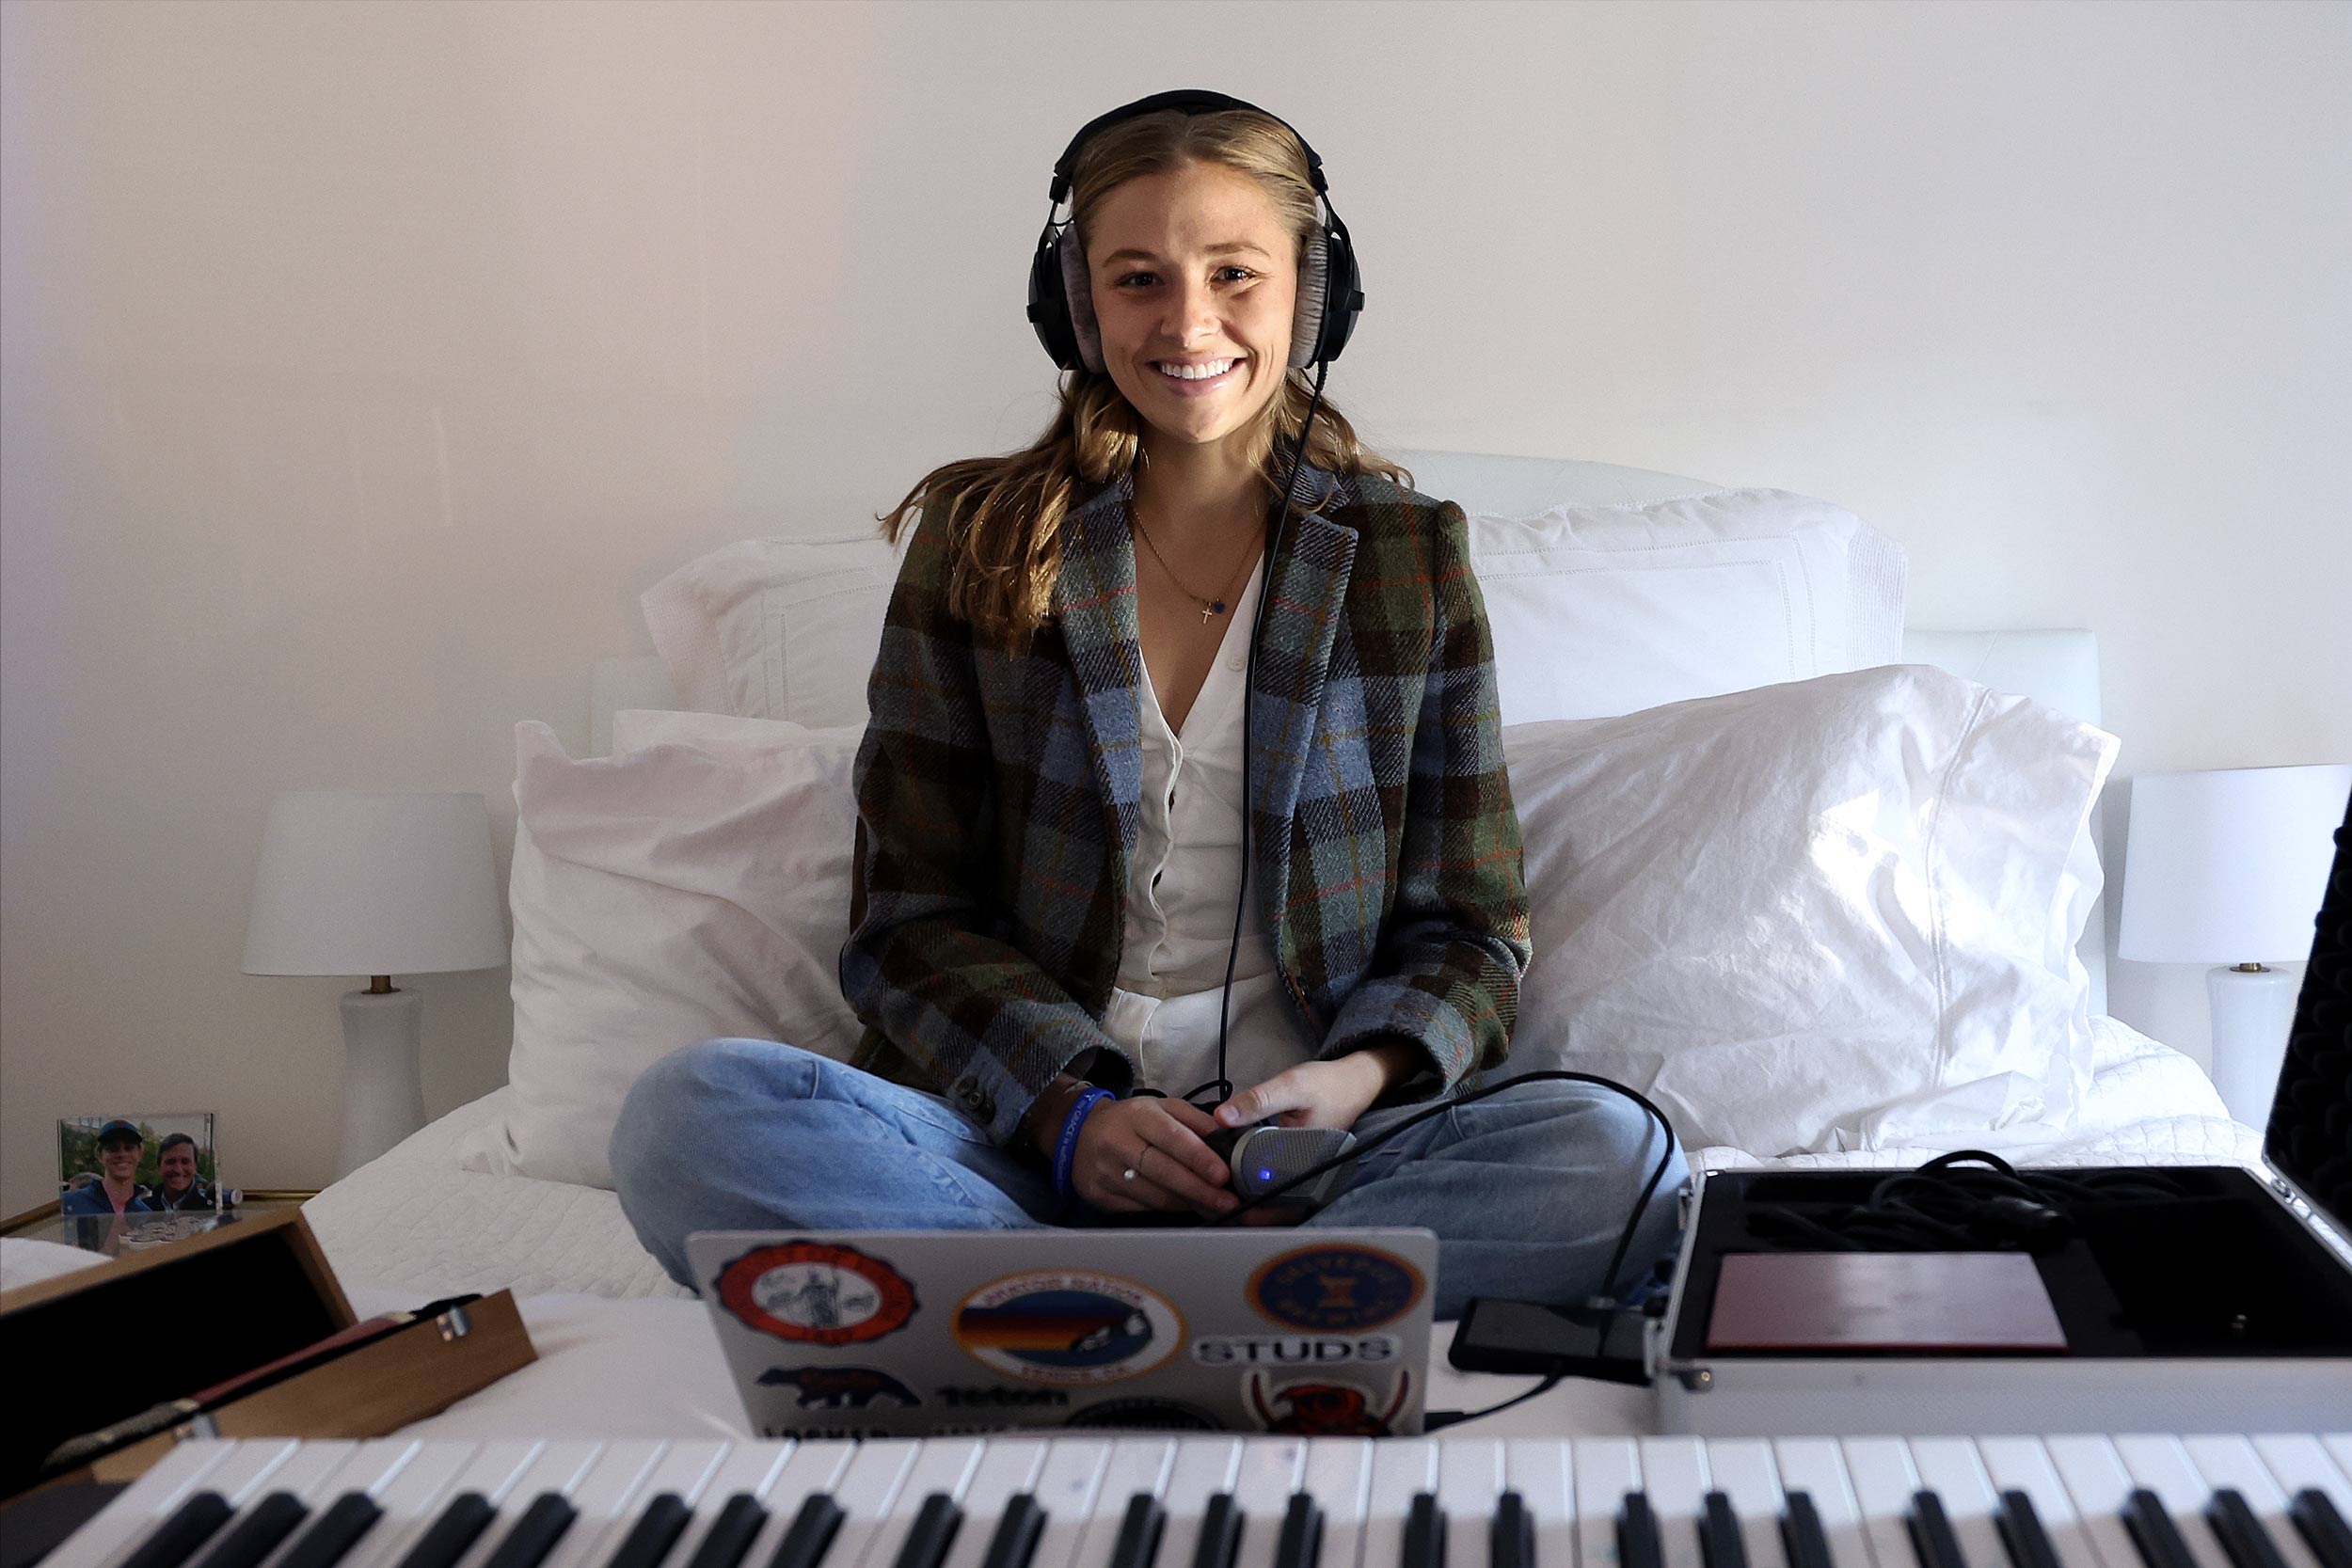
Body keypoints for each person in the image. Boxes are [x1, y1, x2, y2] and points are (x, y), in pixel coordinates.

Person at [612, 91, 1687, 1319]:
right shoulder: (979, 541)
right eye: (1138, 279)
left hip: (1320, 1169)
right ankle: (1240, 1309)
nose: (1189, 322)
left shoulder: (1407, 557)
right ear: (1073, 304)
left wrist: (1349, 1084)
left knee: (1618, 1155)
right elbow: (907, 916)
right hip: (1014, 1149)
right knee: (680, 1120)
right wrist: (1071, 1112)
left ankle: (1053, 1316)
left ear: (1312, 292)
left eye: (1235, 272)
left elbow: (1474, 925)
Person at [60, 1119, 154, 1215]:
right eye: (113, 1148)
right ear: (99, 1155)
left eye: (129, 1148)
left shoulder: (145, 1215)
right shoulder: (67, 1203)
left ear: (140, 1154)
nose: (122, 1154)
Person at [149, 1132, 218, 1212]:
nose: (178, 1169)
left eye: (185, 1162)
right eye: (170, 1162)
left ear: (195, 1167)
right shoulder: (142, 1210)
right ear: (159, 1167)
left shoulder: (211, 1212)